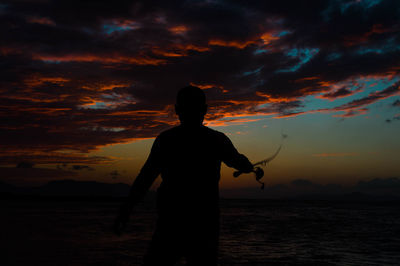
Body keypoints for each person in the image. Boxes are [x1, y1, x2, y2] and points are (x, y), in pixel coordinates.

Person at [114, 85, 256, 265]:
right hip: (204, 224)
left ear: (177, 110)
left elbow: (145, 178)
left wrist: (125, 211)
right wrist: (248, 166)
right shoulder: (217, 140)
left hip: (171, 223)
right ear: (204, 110)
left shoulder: (166, 140)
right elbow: (239, 162)